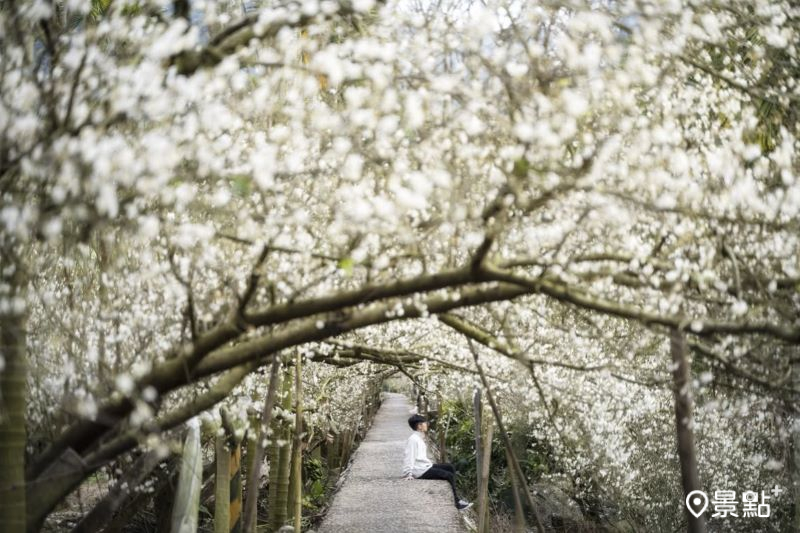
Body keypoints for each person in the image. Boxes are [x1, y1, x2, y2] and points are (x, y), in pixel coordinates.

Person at [402, 414, 473, 510]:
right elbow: (409, 456)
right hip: (420, 470)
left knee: (450, 467)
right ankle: (456, 502)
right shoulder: (413, 440)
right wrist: (408, 473)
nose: (427, 424)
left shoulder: (418, 437)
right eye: (424, 423)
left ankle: (457, 499)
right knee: (448, 475)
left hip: (425, 466)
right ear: (419, 426)